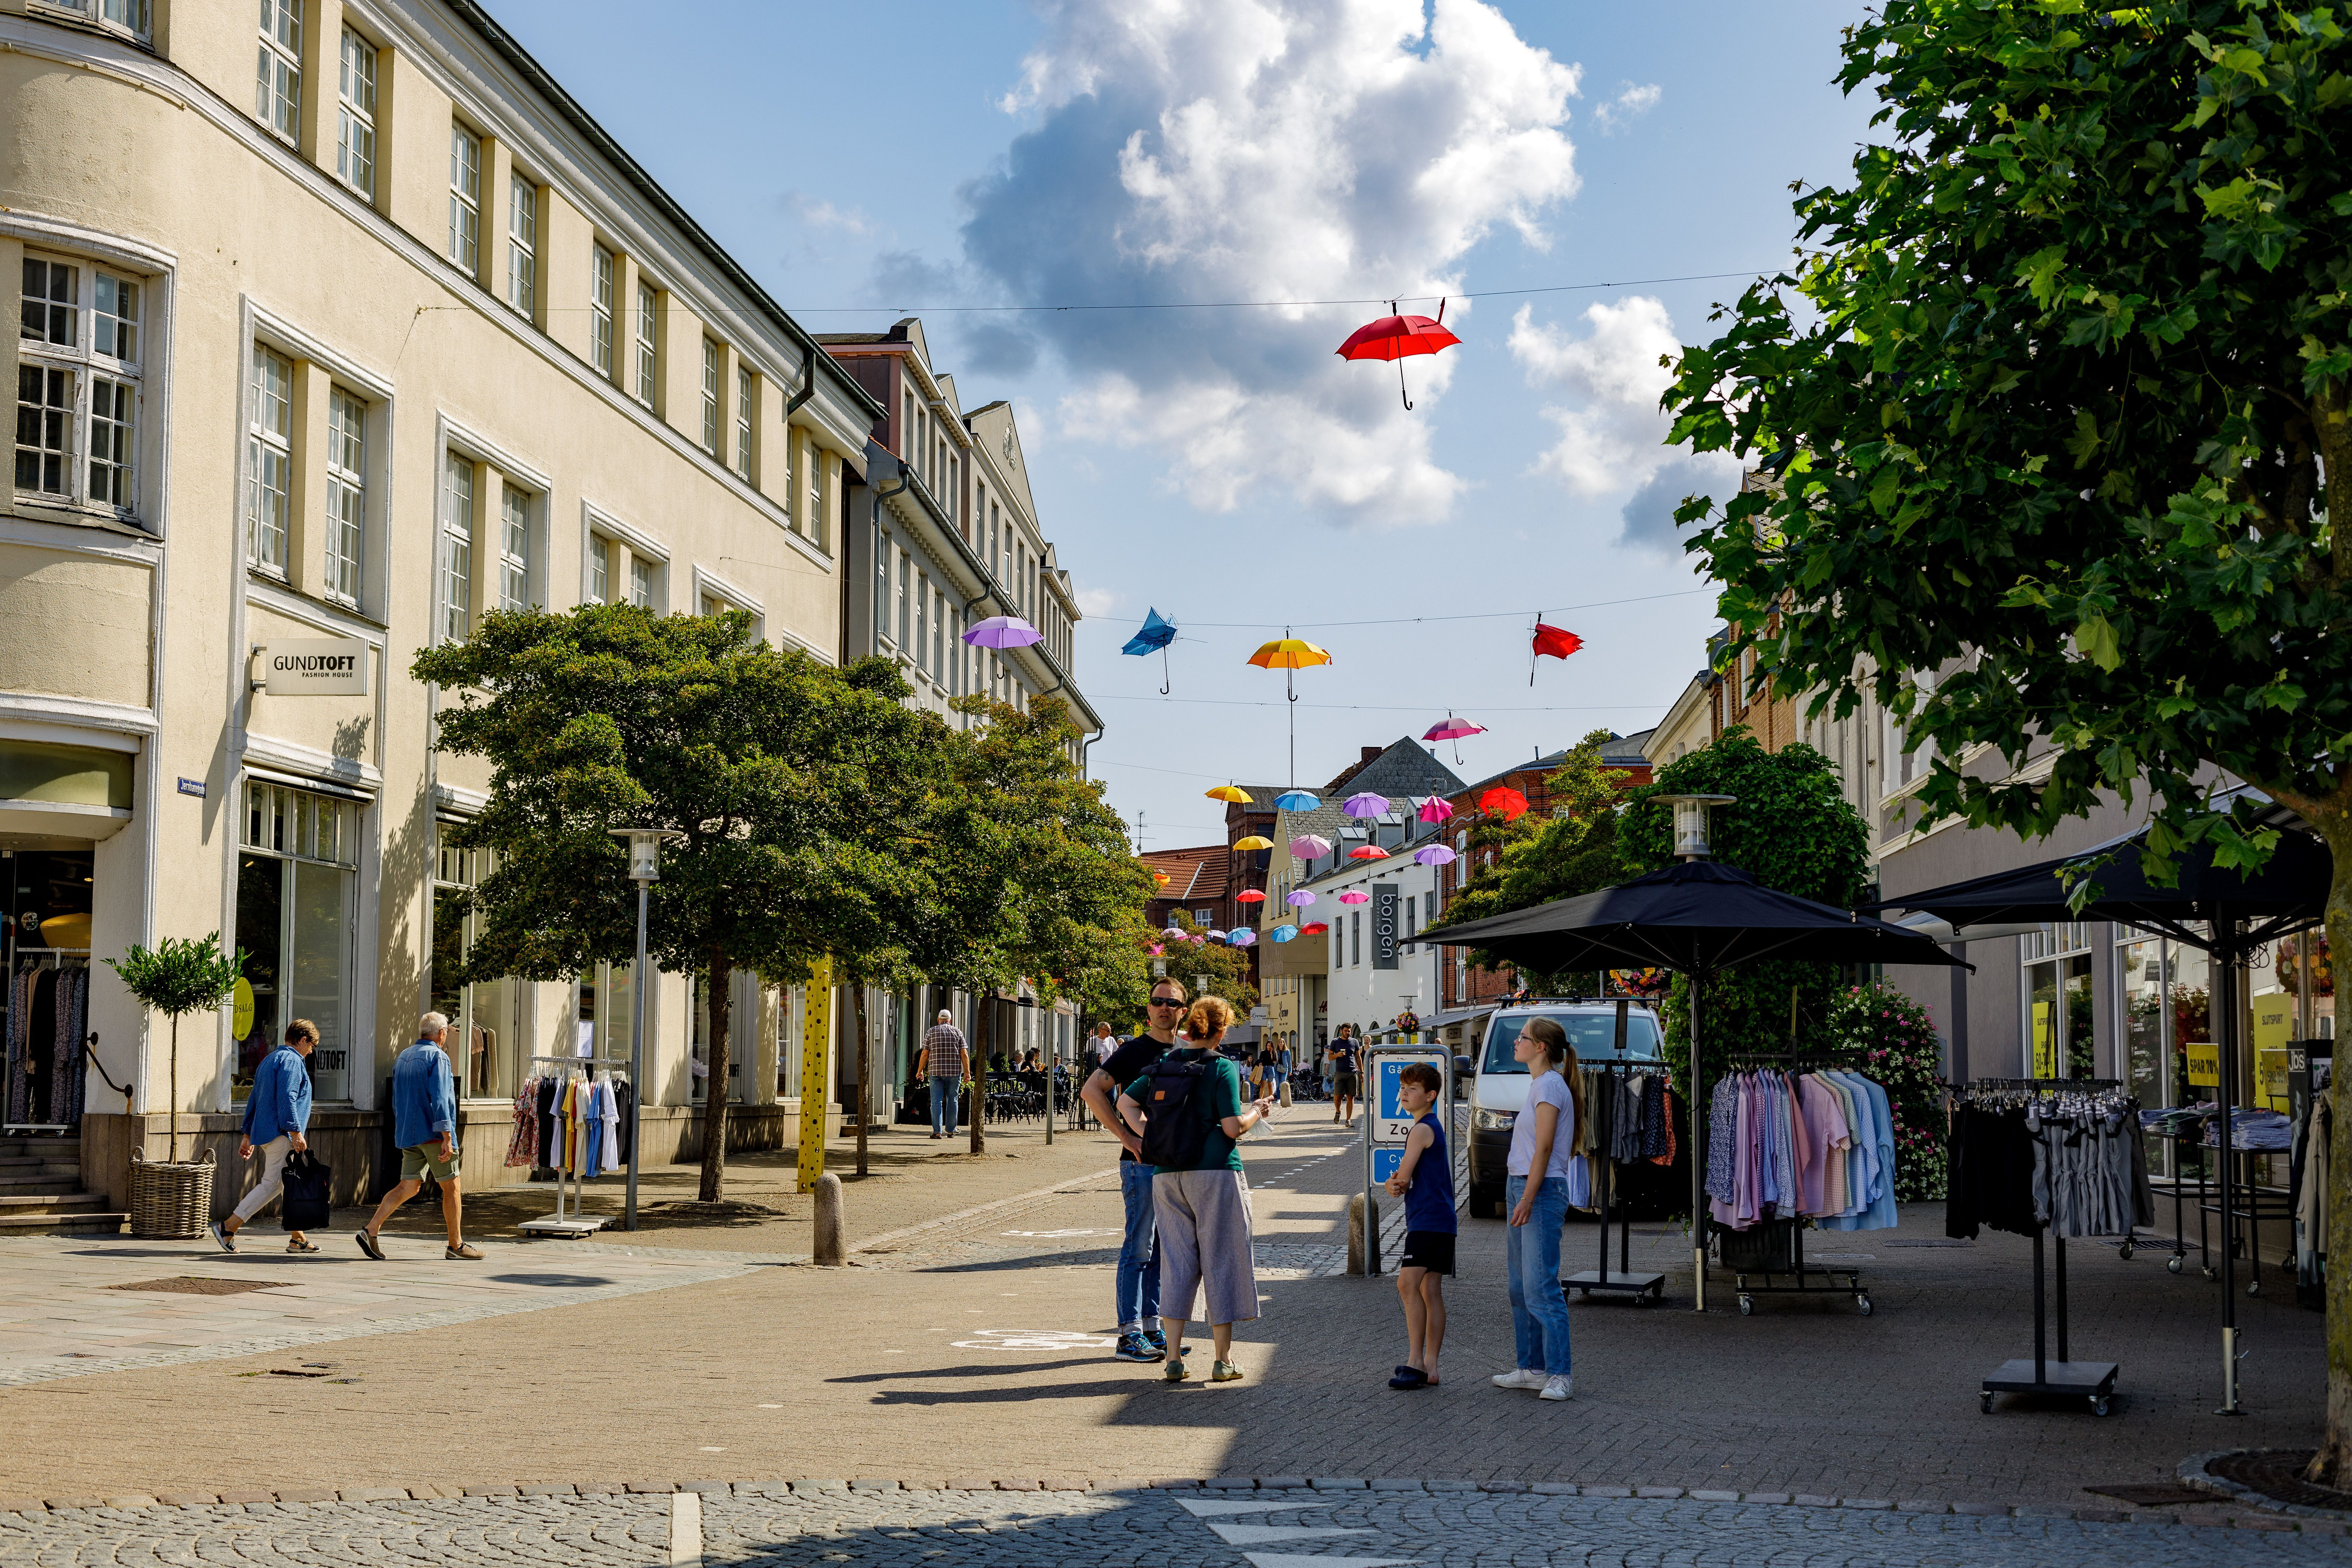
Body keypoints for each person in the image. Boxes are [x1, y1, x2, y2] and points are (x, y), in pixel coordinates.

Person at [1118, 995, 1274, 1385]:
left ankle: (1172, 1358)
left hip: (1166, 1174)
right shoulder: (1222, 1068)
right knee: (1222, 1259)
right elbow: (1233, 1127)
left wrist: (1150, 1138)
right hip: (1216, 1173)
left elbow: (1124, 1101)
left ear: (1190, 1027)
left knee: (1176, 1261)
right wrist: (1258, 1110)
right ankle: (1223, 1360)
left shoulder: (1162, 1066)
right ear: (1221, 1030)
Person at [1083, 980, 1185, 1362]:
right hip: (1141, 1166)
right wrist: (1127, 1138)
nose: (1163, 1008)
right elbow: (1092, 1091)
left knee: (1162, 1250)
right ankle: (1127, 1336)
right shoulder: (1135, 1051)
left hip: (1174, 1165)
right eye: (1157, 1002)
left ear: (1182, 1011)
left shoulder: (1184, 1050)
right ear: (1148, 1010)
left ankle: (1152, 1329)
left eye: (1171, 1003)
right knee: (1138, 1247)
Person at [1492, 1017, 1581, 1401]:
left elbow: (1544, 1148)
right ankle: (1532, 1367)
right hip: (1523, 1184)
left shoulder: (1549, 1086)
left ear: (1541, 1046)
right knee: (1520, 1285)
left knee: (1541, 1286)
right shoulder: (1539, 1085)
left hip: (1540, 1189)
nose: (1517, 1041)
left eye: (1523, 1037)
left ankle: (1560, 1373)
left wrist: (1528, 1197)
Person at [357, 1013, 481, 1261]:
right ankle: (456, 1246)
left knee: (408, 1186)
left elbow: (397, 1098)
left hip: (409, 1133)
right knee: (452, 1187)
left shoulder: (403, 1056)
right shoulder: (438, 1057)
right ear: (442, 1033)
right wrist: (447, 1136)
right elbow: (442, 1098)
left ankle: (371, 1230)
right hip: (434, 1134)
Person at [208, 1020, 319, 1254]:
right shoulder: (292, 1061)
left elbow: (255, 1100)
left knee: (284, 1185)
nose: (311, 1052)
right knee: (272, 1185)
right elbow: (288, 1097)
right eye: (311, 1046)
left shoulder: (269, 1060)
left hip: (269, 1133)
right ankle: (228, 1227)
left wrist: (248, 1134)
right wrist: (296, 1132)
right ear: (303, 1040)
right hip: (282, 1134)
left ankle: (298, 1239)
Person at [1383, 1062, 1455, 1388]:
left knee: (1407, 1285)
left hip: (1427, 1220)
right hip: (1442, 1219)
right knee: (1430, 1289)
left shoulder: (1421, 1129)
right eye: (1402, 1088)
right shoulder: (1432, 1127)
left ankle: (1416, 1362)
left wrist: (1392, 1184)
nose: (1404, 1094)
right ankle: (1432, 1366)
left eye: (1412, 1089)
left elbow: (1403, 1181)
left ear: (1431, 1095)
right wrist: (1396, 1182)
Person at [917, 1008, 967, 1140]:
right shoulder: (958, 1033)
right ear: (950, 1020)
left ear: (938, 1020)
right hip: (954, 1073)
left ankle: (937, 1132)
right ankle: (951, 1131)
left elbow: (925, 1054)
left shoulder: (931, 1032)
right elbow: (964, 1054)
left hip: (935, 1072)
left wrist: (920, 1071)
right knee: (953, 1100)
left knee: (936, 1102)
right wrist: (967, 1072)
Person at [1328, 1024, 1361, 1126]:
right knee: (1338, 1096)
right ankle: (1338, 1112)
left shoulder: (1354, 1042)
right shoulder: (1335, 1042)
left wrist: (1362, 1072)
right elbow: (1330, 1057)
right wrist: (1337, 1055)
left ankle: (1348, 1120)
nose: (1348, 1033)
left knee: (1350, 1097)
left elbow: (1358, 1057)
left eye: (1349, 1031)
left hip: (1352, 1072)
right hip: (1340, 1073)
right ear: (1341, 1031)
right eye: (1346, 1031)